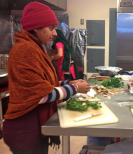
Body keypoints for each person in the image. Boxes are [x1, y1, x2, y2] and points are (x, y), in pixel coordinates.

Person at [2, 2, 91, 154]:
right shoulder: (25, 50)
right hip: (25, 133)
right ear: (36, 28)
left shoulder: (34, 48)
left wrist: (68, 82)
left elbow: (46, 84)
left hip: (33, 129)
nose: (55, 33)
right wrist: (75, 88)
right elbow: (41, 95)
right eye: (51, 28)